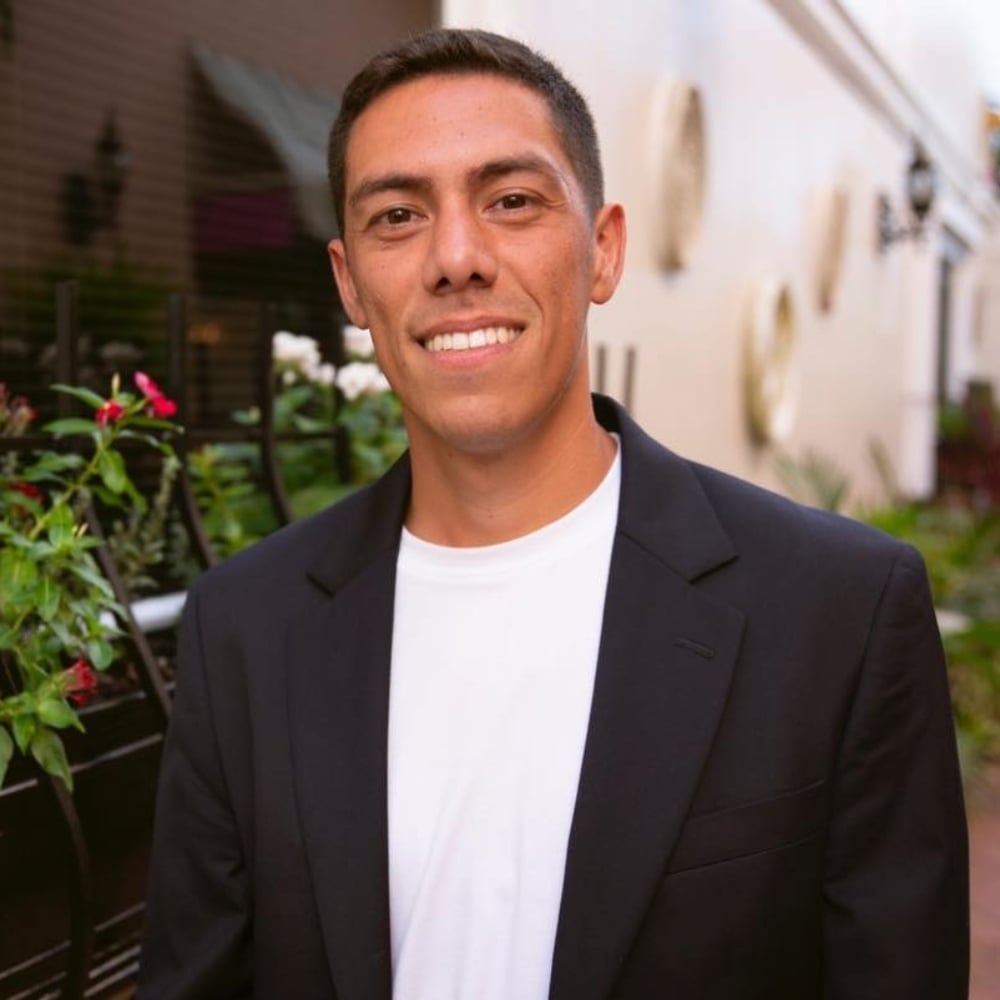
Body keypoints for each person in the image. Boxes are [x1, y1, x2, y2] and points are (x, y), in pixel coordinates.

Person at [137, 28, 968, 1000]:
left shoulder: (837, 613)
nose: (456, 258)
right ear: (350, 283)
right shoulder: (247, 626)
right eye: (398, 215)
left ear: (602, 250)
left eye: (512, 201)